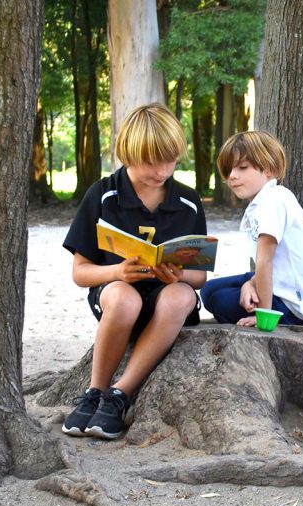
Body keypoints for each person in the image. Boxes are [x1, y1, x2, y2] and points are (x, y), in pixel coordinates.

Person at [62, 103, 208, 439]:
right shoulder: (102, 195)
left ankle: (119, 395)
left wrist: (179, 275)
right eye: (150, 162)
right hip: (117, 297)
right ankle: (95, 392)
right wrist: (117, 272)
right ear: (128, 154)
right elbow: (80, 273)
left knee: (180, 295)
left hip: (165, 304)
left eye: (169, 161)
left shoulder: (187, 201)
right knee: (125, 299)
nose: (160, 171)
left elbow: (199, 277)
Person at [200, 131, 303, 327]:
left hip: (296, 308)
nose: (232, 176)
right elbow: (273, 264)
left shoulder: (274, 200)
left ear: (269, 169)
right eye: (228, 170)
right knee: (209, 289)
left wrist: (264, 317)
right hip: (280, 285)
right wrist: (249, 284)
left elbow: (265, 262)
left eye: (242, 168)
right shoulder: (263, 202)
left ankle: (271, 313)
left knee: (220, 301)